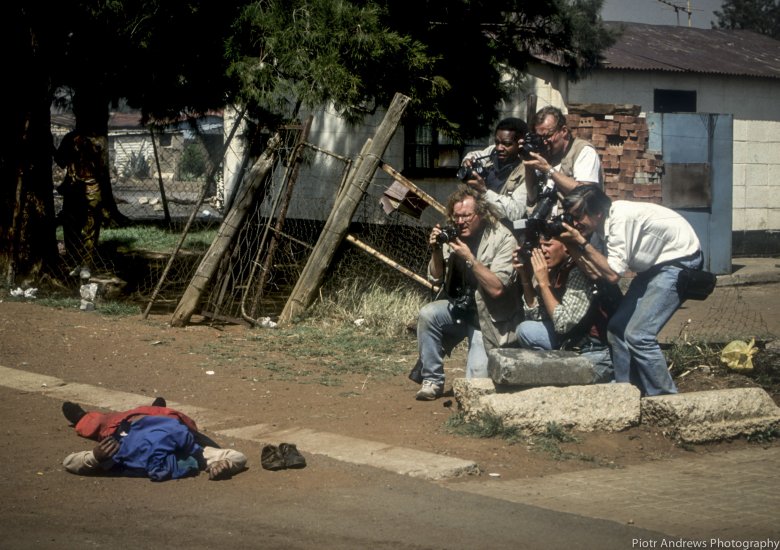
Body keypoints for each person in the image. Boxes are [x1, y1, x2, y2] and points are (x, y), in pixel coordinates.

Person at [559, 185, 703, 396]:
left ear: (597, 212)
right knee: (617, 328)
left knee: (639, 335)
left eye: (578, 216)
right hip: (654, 267)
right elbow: (594, 272)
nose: (575, 223)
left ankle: (666, 398)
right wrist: (571, 244)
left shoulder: (620, 220)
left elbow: (612, 275)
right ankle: (626, 392)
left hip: (680, 261)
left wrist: (581, 242)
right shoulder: (600, 227)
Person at [410, 185, 520, 401]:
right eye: (456, 216)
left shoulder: (503, 238)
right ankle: (432, 379)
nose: (461, 222)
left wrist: (469, 258)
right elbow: (435, 278)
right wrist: (435, 250)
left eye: (467, 216)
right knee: (428, 314)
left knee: (475, 387)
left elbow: (497, 289)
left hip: (488, 316)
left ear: (481, 213)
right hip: (459, 307)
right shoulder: (453, 233)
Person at [61, 398, 247, 481]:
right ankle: (157, 407)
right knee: (98, 423)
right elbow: (237, 456)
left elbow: (69, 462)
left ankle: (79, 416)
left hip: (131, 419)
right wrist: (225, 464)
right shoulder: (191, 449)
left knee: (94, 423)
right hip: (171, 418)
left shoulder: (123, 451)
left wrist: (96, 457)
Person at [513, 234, 615, 382]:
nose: (543, 250)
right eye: (540, 246)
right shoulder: (555, 268)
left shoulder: (577, 271)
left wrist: (543, 283)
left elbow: (563, 323)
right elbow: (535, 315)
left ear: (567, 247)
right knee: (526, 330)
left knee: (552, 383)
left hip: (594, 350)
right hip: (571, 341)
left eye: (548, 245)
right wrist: (524, 276)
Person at [54, 95, 128, 278]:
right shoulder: (71, 138)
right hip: (73, 188)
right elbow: (62, 161)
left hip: (91, 188)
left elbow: (100, 169)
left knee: (89, 228)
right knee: (71, 228)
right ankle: (77, 262)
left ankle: (86, 263)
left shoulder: (96, 141)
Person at [522, 106, 604, 211]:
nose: (544, 142)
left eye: (547, 136)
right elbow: (532, 197)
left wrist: (549, 170)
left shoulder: (583, 151)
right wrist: (529, 165)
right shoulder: (545, 154)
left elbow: (586, 193)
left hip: (574, 224)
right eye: (539, 137)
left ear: (564, 131)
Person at [460, 117, 529, 222]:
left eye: (507, 144)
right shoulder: (492, 152)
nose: (499, 148)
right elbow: (475, 155)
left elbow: (515, 212)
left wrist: (484, 191)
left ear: (521, 144)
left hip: (505, 231)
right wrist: (468, 161)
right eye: (497, 142)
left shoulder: (528, 171)